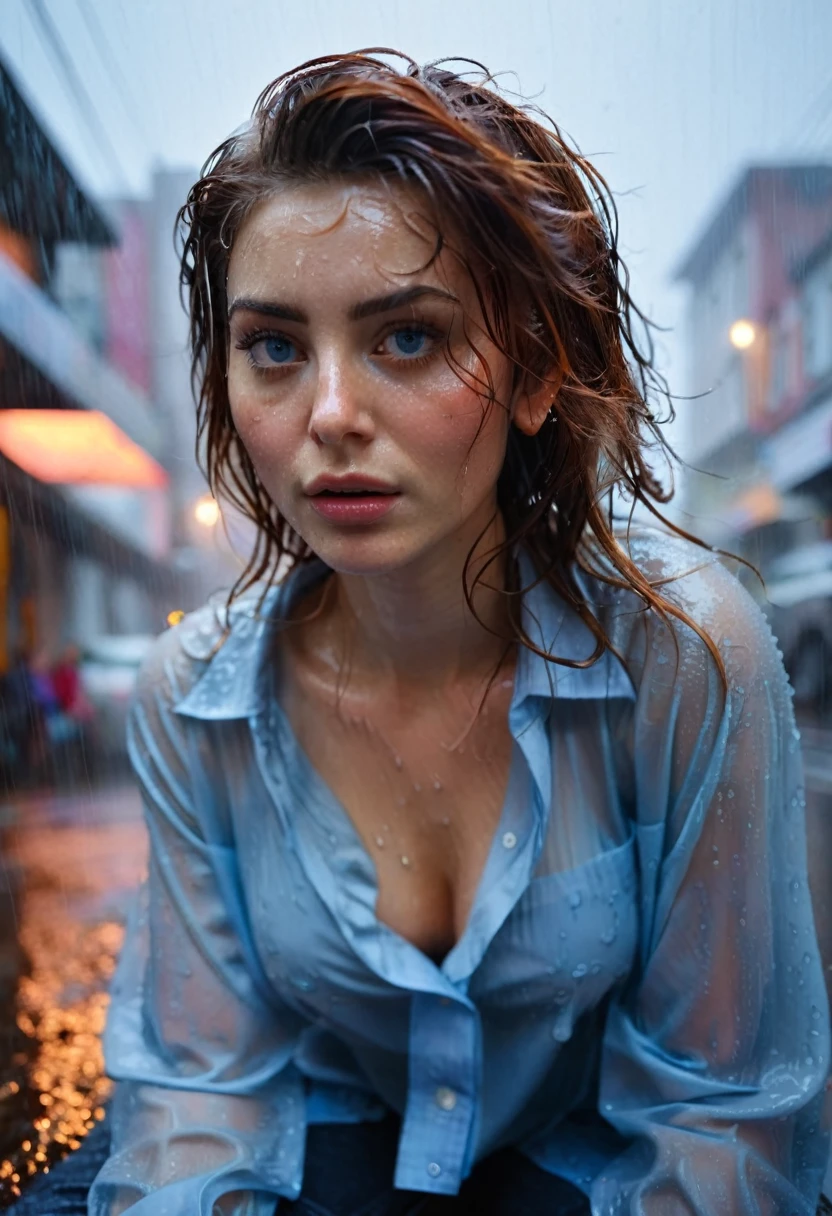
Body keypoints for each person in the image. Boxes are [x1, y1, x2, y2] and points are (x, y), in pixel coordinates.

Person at [18, 50, 829, 1216]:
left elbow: (715, 1118)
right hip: (321, 1144)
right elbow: (207, 1104)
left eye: (405, 338)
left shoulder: (687, 653)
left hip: (585, 1158)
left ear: (538, 369)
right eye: (276, 348)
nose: (331, 415)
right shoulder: (196, 696)